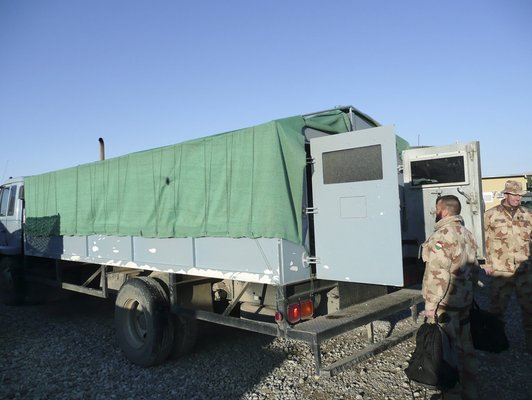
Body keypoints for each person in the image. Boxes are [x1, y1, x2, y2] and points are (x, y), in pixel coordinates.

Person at [421, 195, 479, 400]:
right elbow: (475, 269)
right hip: (464, 301)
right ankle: (471, 391)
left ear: (444, 211)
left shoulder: (442, 236)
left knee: (448, 352)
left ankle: (453, 395)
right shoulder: (467, 234)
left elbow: (438, 274)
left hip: (447, 303)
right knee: (466, 347)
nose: (435, 212)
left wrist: (431, 305)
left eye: (437, 208)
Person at [483, 180, 532, 353]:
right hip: (501, 270)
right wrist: (487, 263)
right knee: (497, 308)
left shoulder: (528, 214)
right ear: (506, 194)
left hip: (524, 269)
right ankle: (497, 342)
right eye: (514, 195)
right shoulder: (490, 215)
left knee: (529, 307)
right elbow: (484, 240)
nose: (518, 198)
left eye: (520, 195)